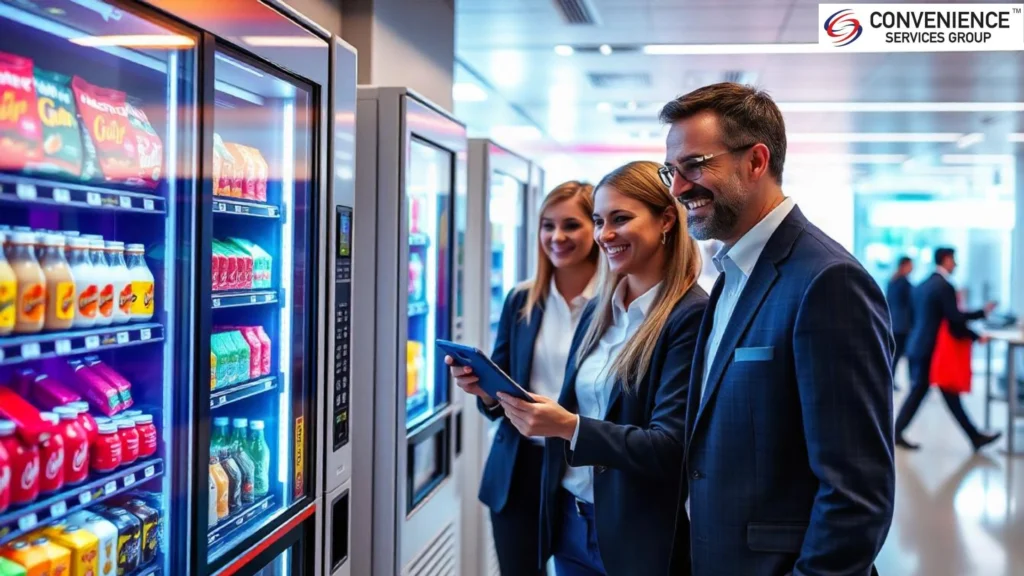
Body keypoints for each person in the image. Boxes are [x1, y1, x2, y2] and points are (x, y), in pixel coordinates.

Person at [660, 83, 895, 576]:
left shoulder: (829, 281)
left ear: (756, 161)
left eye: (695, 166)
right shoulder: (733, 275)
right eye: (671, 172)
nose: (679, 188)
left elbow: (857, 494)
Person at [487, 161, 706, 576]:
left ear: (665, 220)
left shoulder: (689, 316)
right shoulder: (598, 312)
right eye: (600, 220)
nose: (605, 235)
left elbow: (670, 446)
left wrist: (568, 426)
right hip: (571, 518)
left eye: (621, 219)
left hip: (635, 532)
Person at [446, 181, 599, 575]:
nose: (557, 236)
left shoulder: (614, 302)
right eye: (548, 226)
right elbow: (499, 390)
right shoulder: (522, 299)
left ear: (595, 229)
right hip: (518, 472)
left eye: (571, 225)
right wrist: (484, 392)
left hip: (579, 471)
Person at [894, 247, 1001, 451]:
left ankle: (974, 436)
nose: (956, 264)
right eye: (954, 260)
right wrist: (977, 334)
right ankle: (974, 436)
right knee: (929, 391)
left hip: (918, 344)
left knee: (934, 392)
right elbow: (955, 319)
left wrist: (979, 318)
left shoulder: (923, 284)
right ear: (945, 259)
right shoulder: (944, 286)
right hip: (931, 349)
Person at [887, 256, 915, 389]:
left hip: (895, 323)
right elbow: (912, 303)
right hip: (904, 325)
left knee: (896, 355)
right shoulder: (904, 283)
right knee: (907, 354)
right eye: (910, 265)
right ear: (904, 265)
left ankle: (890, 380)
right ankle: (913, 382)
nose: (912, 268)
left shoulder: (892, 281)